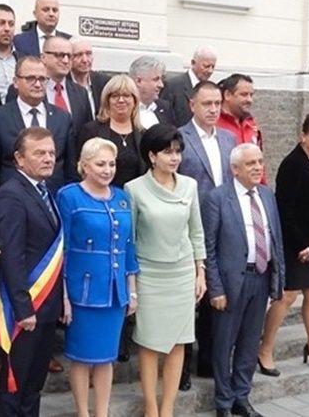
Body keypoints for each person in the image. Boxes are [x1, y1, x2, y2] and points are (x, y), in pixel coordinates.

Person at [124, 124, 206, 417]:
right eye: (167, 152)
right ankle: (150, 406)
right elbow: (130, 240)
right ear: (151, 156)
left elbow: (196, 231)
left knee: (178, 342)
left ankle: (168, 407)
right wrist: (132, 285)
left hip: (182, 273)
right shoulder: (133, 189)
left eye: (178, 152)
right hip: (149, 274)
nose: (174, 158)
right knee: (149, 343)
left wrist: (200, 272)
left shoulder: (189, 186)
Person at [56, 138, 139, 417]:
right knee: (81, 358)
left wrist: (131, 290)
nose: (107, 170)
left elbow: (128, 247)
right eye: (100, 164)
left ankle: (102, 412)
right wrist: (64, 296)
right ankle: (83, 412)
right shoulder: (69, 196)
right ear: (84, 165)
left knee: (106, 357)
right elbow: (62, 249)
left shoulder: (122, 197)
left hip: (114, 293)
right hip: (83, 292)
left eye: (111, 164)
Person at [203, 143, 284, 417]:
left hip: (260, 277)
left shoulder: (267, 195)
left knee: (249, 344)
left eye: (260, 161)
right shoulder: (217, 198)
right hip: (230, 283)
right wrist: (215, 288)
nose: (258, 167)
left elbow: (275, 239)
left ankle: (241, 397)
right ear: (235, 169)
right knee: (224, 344)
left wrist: (277, 281)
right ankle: (223, 402)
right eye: (251, 163)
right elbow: (209, 247)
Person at [0, 127, 66, 417]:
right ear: (19, 159)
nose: (48, 158)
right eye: (39, 153)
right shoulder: (11, 195)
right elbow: (12, 256)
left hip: (46, 305)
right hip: (24, 308)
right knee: (16, 384)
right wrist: (23, 308)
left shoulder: (46, 190)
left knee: (34, 384)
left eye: (51, 152)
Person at [257, 113, 309, 377]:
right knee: (287, 295)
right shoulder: (293, 164)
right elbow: (285, 209)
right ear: (303, 135)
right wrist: (301, 244)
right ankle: (265, 349)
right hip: (294, 239)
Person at [177, 80, 237, 390]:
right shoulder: (180, 138)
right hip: (189, 226)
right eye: (206, 104)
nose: (213, 109)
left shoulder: (228, 139)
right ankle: (181, 369)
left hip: (222, 227)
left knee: (216, 293)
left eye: (217, 104)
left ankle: (209, 361)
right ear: (192, 105)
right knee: (189, 300)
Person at [0, 56, 76, 194]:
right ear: (16, 82)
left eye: (42, 79)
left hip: (54, 196)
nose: (38, 84)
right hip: (14, 197)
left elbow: (70, 168)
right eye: (30, 78)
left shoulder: (63, 118)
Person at [77, 74, 145, 188]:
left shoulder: (143, 135)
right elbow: (80, 168)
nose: (121, 100)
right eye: (115, 96)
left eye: (126, 95)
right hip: (99, 194)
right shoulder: (91, 130)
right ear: (107, 101)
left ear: (135, 101)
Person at [40, 36, 93, 135]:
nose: (65, 61)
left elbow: (87, 132)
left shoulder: (81, 93)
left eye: (69, 56)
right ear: (43, 57)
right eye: (60, 55)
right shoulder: (30, 89)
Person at [160, 46, 217, 126]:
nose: (210, 71)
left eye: (213, 67)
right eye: (206, 66)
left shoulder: (211, 89)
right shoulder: (173, 85)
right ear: (193, 63)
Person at [129, 56, 177, 129]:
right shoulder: (125, 108)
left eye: (161, 80)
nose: (161, 85)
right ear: (138, 81)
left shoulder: (165, 108)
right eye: (156, 79)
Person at [69, 38, 110, 117]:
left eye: (88, 54)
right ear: (70, 58)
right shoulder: (63, 83)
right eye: (79, 55)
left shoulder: (104, 83)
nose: (85, 60)